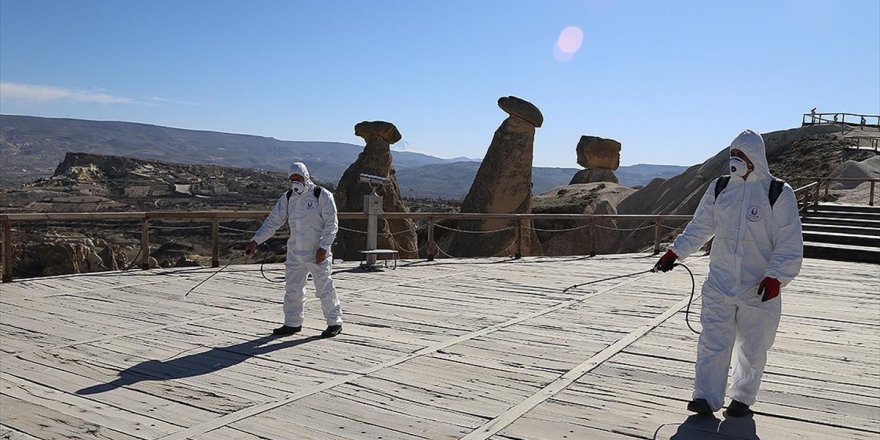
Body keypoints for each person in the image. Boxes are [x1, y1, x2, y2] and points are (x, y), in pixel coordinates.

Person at [654, 129, 803, 417]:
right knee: (712, 341)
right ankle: (705, 397)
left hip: (758, 286)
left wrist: (776, 276)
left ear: (755, 158)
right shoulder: (721, 188)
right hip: (720, 282)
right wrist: (676, 252)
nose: (736, 160)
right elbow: (700, 226)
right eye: (733, 154)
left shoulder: (777, 193)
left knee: (753, 346)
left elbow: (789, 240)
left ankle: (742, 398)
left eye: (742, 155)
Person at [245, 162, 343, 338]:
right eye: (292, 179)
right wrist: (256, 240)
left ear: (305, 176)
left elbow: (332, 223)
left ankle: (334, 322)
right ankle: (292, 323)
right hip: (295, 252)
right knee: (293, 289)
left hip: (317, 252)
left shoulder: (321, 195)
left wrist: (324, 246)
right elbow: (273, 221)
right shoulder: (288, 198)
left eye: (298, 177)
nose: (295, 181)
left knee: (324, 288)